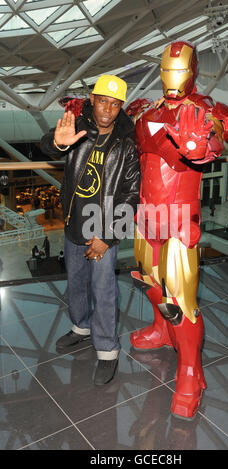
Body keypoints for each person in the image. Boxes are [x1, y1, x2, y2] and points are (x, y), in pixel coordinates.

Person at [126, 40, 228, 420]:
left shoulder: (205, 109)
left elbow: (222, 133)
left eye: (180, 71)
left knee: (181, 299)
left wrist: (206, 142)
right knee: (148, 278)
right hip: (146, 215)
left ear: (192, 71)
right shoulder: (147, 108)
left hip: (179, 219)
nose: (173, 78)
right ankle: (160, 330)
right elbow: (122, 125)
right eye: (167, 71)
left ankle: (191, 370)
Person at [40, 74, 140, 386]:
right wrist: (58, 143)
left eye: (114, 103)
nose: (107, 109)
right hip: (74, 223)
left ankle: (107, 349)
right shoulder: (78, 129)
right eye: (102, 101)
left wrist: (108, 237)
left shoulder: (126, 145)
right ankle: (81, 327)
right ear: (92, 100)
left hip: (103, 231)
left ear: (120, 107)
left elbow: (131, 195)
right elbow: (47, 145)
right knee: (76, 282)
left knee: (104, 290)